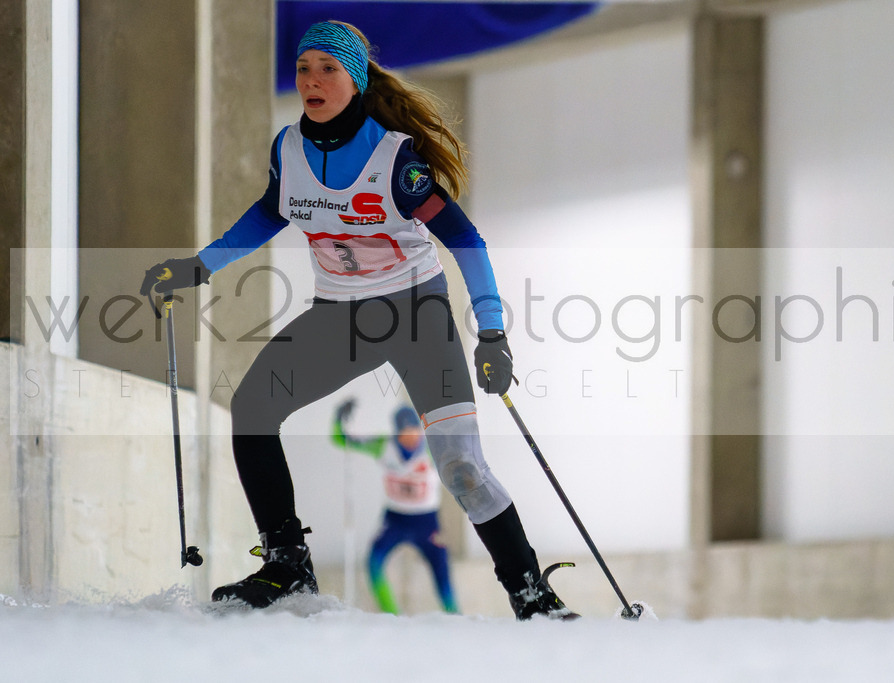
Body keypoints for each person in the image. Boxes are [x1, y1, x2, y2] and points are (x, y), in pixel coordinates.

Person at [140, 19, 575, 620]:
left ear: (356, 80)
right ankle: (288, 566)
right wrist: (197, 267)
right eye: (303, 68)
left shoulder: (395, 159)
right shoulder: (288, 148)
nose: (311, 81)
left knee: (461, 468)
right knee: (253, 408)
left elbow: (465, 239)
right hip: (340, 317)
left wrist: (492, 331)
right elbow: (269, 212)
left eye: (328, 69)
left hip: (416, 314)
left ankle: (532, 596)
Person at [333, 400, 457, 615]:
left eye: (414, 432)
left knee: (442, 568)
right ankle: (392, 615)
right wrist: (338, 420)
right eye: (404, 434)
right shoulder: (383, 445)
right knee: (374, 563)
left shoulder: (432, 449)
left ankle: (454, 614)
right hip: (395, 520)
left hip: (426, 521)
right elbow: (342, 440)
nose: (410, 439)